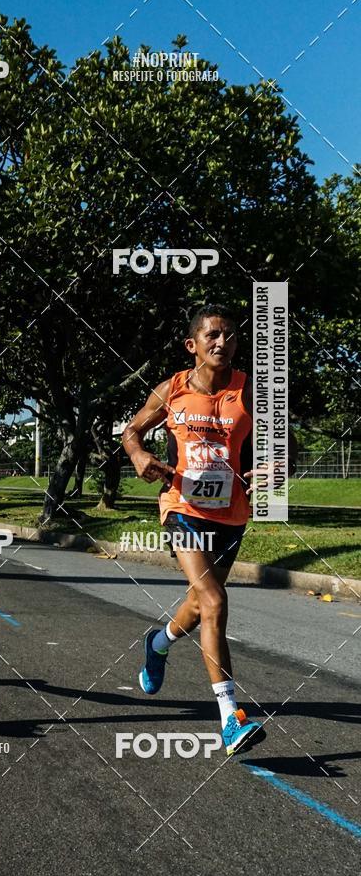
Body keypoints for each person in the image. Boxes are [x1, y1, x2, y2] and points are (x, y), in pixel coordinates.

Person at [122, 304, 296, 757]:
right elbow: (131, 432)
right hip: (182, 508)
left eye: (231, 336)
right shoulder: (173, 389)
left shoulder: (249, 391)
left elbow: (286, 443)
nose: (223, 343)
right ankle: (230, 717)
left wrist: (276, 467)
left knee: (201, 604)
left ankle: (158, 644)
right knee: (216, 599)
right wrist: (140, 457)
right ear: (192, 344)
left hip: (231, 514)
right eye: (213, 335)